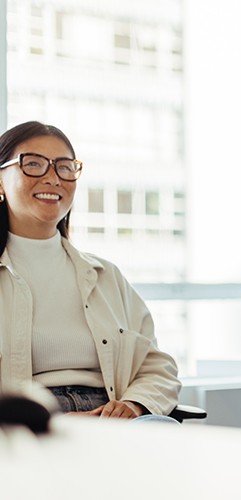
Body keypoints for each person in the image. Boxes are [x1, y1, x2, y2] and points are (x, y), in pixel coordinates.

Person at [0, 121, 181, 421]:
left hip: (111, 421)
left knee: (160, 428)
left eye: (65, 167)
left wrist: (135, 404)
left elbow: (157, 367)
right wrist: (52, 420)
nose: (53, 178)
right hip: (27, 423)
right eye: (33, 164)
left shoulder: (106, 276)